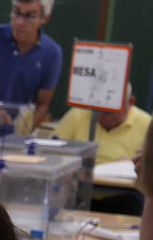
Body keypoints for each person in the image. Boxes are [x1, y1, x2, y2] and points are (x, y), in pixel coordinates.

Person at [53, 83, 150, 213]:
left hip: (124, 199)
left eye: (114, 111)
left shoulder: (147, 124)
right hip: (76, 193)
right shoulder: (78, 115)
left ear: (130, 101)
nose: (108, 116)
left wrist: (135, 164)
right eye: (102, 110)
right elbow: (51, 148)